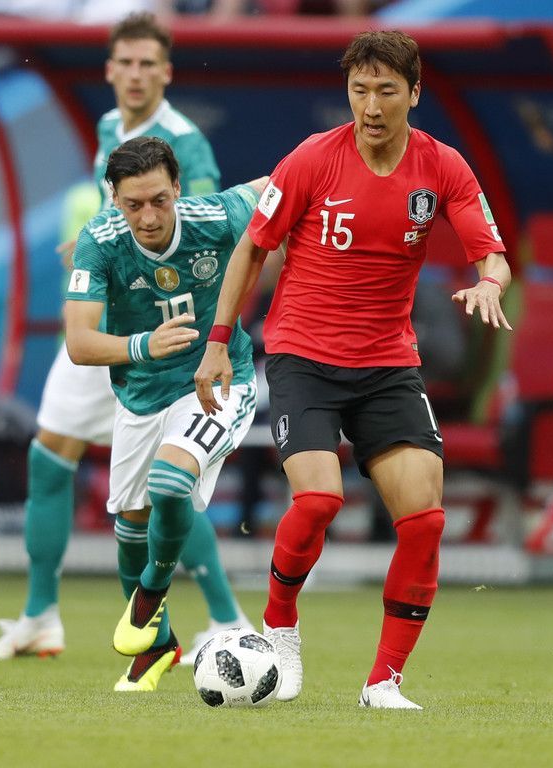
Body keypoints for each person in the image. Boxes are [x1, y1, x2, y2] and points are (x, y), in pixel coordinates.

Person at [194, 29, 513, 709]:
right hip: (303, 355)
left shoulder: (442, 167)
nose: (370, 105)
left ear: (414, 93)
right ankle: (280, 630)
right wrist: (219, 341)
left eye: (385, 91)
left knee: (424, 521)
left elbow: (491, 251)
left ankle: (383, 682)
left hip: (387, 363)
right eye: (358, 89)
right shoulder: (312, 158)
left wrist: (489, 282)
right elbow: (252, 249)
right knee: (318, 501)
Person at [0, 12, 251, 668]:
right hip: (109, 331)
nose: (134, 75)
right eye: (125, 62)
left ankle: (224, 618)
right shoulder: (107, 128)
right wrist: (98, 245)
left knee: (169, 481)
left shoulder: (185, 144)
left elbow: (201, 242)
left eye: (147, 64)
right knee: (50, 456)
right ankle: (40, 616)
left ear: (166, 72)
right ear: (108, 69)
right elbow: (119, 226)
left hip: (167, 337)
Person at [65, 135, 267, 690]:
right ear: (114, 198)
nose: (149, 217)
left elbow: (278, 183)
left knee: (171, 481)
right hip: (140, 395)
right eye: (134, 205)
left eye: (159, 200)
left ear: (178, 187)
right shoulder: (100, 241)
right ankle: (158, 646)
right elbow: (79, 343)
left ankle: (151, 594)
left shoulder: (215, 217)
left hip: (217, 382)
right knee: (131, 526)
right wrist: (143, 346)